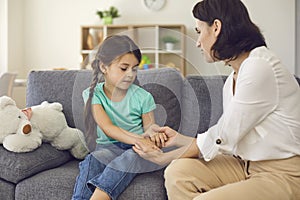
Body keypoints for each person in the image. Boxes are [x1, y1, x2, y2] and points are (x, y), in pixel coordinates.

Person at [133, 0, 300, 199]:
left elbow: (223, 136)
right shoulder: (233, 79)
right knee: (178, 173)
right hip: (243, 165)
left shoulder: (260, 67)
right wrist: (178, 139)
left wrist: (163, 158)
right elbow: (227, 141)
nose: (197, 42)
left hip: (283, 173)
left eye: (198, 31)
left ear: (216, 28)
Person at [72, 35, 167, 200]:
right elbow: (108, 128)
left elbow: (149, 127)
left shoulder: (143, 97)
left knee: (131, 156)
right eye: (124, 68)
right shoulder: (93, 95)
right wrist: (139, 139)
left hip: (135, 150)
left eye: (134, 68)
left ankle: (100, 196)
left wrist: (154, 133)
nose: (130, 74)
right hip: (107, 148)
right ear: (104, 67)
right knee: (92, 161)